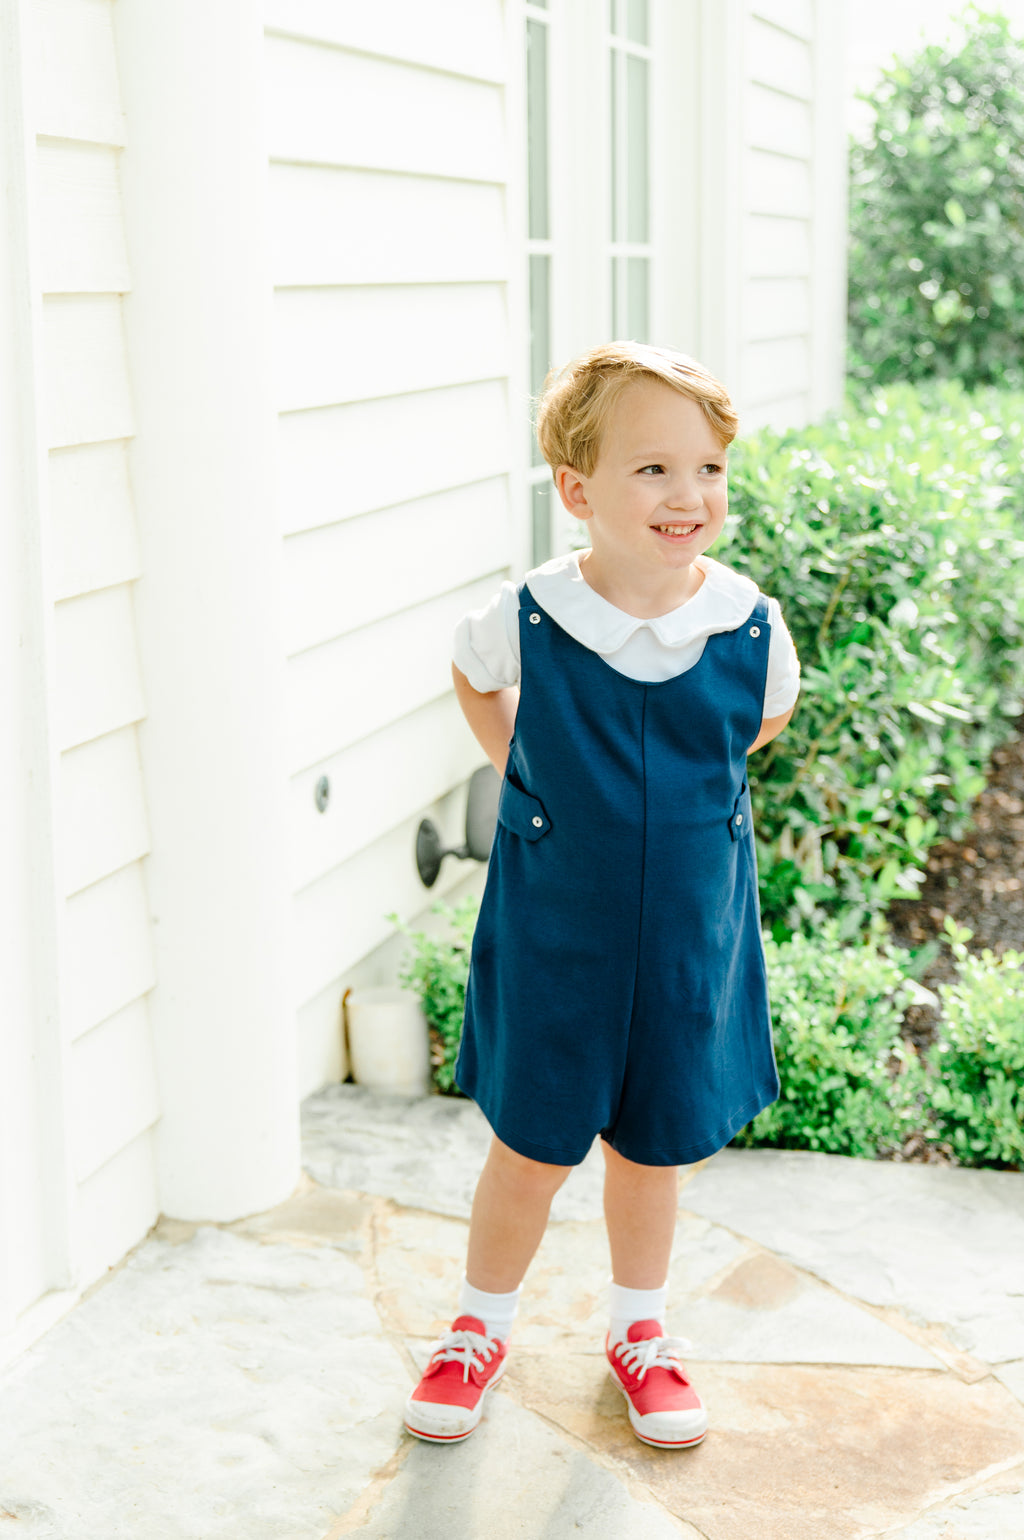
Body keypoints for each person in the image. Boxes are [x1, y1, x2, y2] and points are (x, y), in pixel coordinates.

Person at [404, 341, 799, 1448]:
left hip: (684, 933)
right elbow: (477, 679)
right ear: (578, 490)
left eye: (709, 469)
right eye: (654, 470)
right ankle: (478, 1326)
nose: (690, 495)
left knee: (651, 1146)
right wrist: (526, 773)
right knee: (530, 1143)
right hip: (557, 930)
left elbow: (754, 723)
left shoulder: (746, 622)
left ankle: (642, 1331)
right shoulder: (528, 615)